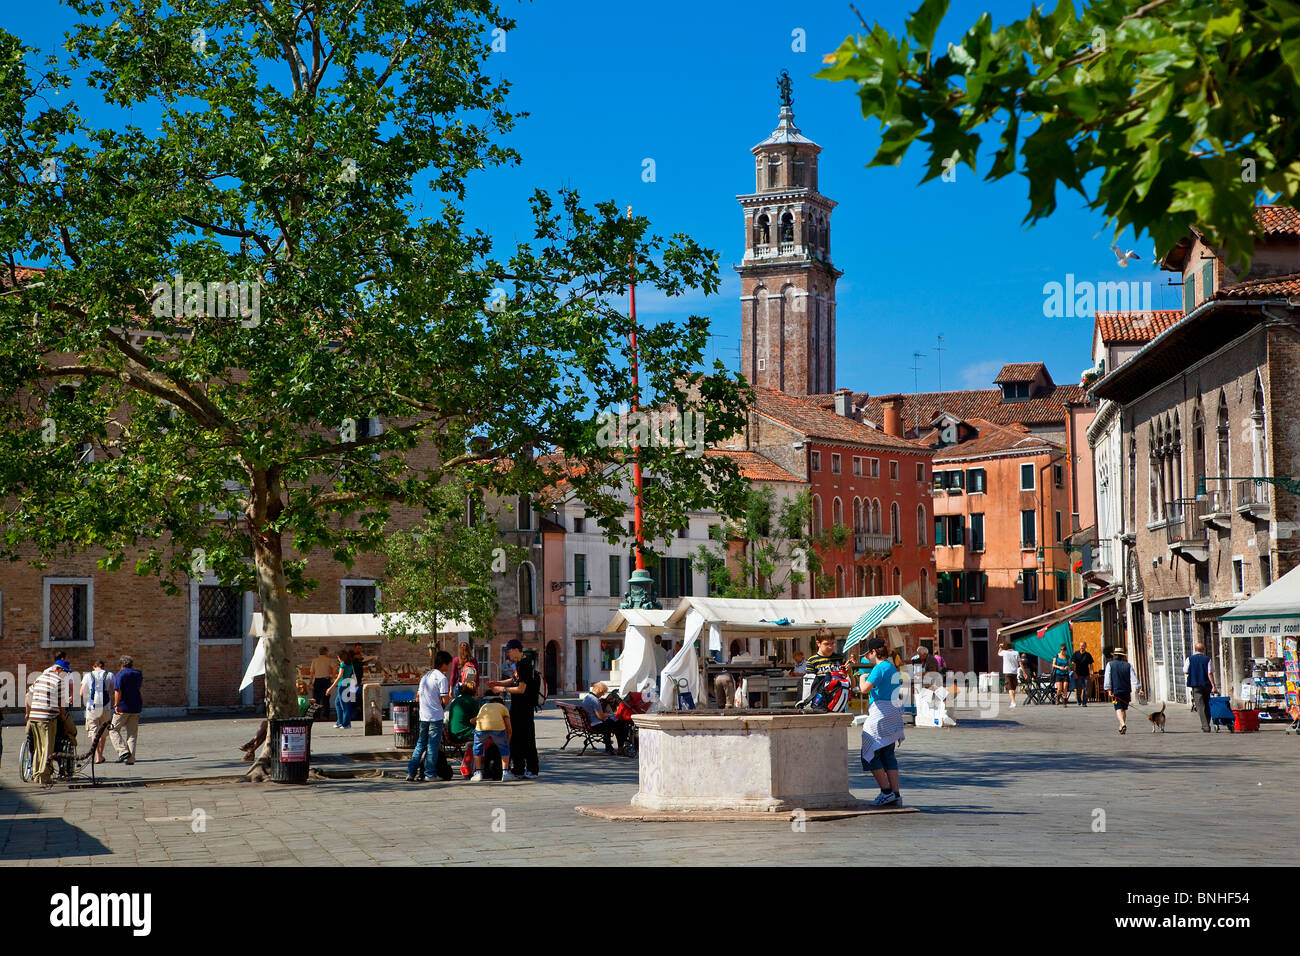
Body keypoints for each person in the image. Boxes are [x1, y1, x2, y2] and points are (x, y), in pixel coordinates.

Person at [859, 637, 906, 807]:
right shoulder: (892, 667)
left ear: (873, 652)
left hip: (880, 714)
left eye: (868, 653)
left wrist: (862, 678)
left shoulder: (879, 668)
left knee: (869, 752)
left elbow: (865, 690)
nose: (867, 657)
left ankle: (886, 792)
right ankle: (896, 793)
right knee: (888, 754)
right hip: (894, 713)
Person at [26, 657, 73, 787]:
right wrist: (63, 717)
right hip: (47, 718)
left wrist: (28, 714)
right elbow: (61, 704)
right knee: (47, 747)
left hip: (34, 717)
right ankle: (44, 776)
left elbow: (27, 696)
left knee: (37, 747)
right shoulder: (59, 681)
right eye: (64, 672)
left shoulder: (40, 678)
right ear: (58, 669)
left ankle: (36, 774)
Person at [407, 650, 452, 782]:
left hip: (424, 716)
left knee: (420, 744)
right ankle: (430, 773)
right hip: (435, 716)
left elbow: (418, 697)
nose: (448, 667)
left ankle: (411, 771)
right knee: (432, 746)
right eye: (448, 664)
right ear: (443, 663)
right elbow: (445, 700)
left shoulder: (425, 676)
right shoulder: (442, 678)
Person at [503, 657, 541, 779]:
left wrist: (502, 688)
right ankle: (518, 768)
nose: (508, 656)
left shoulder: (524, 666)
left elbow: (521, 688)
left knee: (527, 740)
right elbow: (514, 680)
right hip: (518, 709)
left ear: (516, 650)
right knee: (517, 739)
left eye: (509, 652)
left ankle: (531, 769)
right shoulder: (518, 666)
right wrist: (499, 683)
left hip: (524, 709)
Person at [109, 655, 144, 765]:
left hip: (123, 706)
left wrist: (116, 704)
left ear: (122, 664)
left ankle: (123, 751)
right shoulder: (138, 673)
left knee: (113, 729)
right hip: (136, 705)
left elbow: (118, 690)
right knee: (132, 733)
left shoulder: (121, 674)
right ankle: (131, 758)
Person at [470, 694, 512, 782]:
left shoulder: (484, 706)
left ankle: (478, 773)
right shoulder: (503, 708)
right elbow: (509, 728)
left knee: (477, 747)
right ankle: (505, 773)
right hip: (498, 728)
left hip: (481, 728)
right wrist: (507, 741)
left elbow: (473, 720)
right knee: (504, 748)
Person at [580, 681, 629, 754]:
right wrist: (609, 715)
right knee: (621, 724)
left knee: (615, 723)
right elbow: (601, 717)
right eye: (603, 692)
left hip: (589, 723)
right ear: (599, 690)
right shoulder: (595, 700)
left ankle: (609, 746)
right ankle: (620, 748)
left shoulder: (587, 697)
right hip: (595, 725)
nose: (603, 694)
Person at [81, 658, 115, 763]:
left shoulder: (88, 675)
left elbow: (82, 693)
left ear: (93, 666)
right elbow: (113, 690)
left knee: (93, 732)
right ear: (103, 666)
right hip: (105, 706)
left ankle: (97, 756)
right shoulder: (110, 675)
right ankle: (100, 755)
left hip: (92, 707)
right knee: (103, 732)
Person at [1104, 648, 1141, 735]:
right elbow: (1134, 678)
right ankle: (1121, 726)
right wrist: (1139, 688)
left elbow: (1107, 678)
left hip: (1116, 690)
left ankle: (1123, 724)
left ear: (1115, 655)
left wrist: (1108, 689)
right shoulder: (1128, 665)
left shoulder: (1110, 664)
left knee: (1118, 708)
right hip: (1126, 690)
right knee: (1123, 709)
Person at [1185, 642, 1215, 733]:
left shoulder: (1189, 659)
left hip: (1196, 685)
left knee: (1200, 706)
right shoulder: (1207, 659)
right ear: (1203, 650)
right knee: (1207, 705)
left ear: (1195, 649)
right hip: (1206, 685)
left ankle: (1205, 726)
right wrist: (1213, 685)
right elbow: (1210, 672)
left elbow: (1185, 670)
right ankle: (1207, 723)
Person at [325, 649, 354, 729]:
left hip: (342, 686)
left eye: (338, 657)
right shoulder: (350, 664)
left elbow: (339, 676)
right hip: (348, 684)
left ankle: (346, 724)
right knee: (338, 703)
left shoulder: (343, 665)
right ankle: (340, 722)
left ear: (341, 657)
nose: (338, 659)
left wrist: (330, 688)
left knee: (344, 705)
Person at [309, 646, 334, 718]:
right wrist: (332, 676)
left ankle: (316, 715)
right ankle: (326, 715)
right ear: (326, 652)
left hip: (317, 680)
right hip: (326, 680)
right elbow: (335, 667)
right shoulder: (329, 660)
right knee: (326, 699)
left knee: (316, 698)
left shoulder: (314, 660)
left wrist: (310, 682)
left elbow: (311, 672)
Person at [1071, 641, 1095, 707]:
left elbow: (1091, 665)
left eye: (1083, 646)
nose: (1082, 647)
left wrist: (1092, 673)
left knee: (1086, 689)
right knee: (1079, 689)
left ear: (1085, 647)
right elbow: (1073, 664)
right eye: (1081, 646)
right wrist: (1074, 672)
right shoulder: (1076, 654)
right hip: (1078, 674)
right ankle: (1079, 700)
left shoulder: (1088, 655)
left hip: (1086, 674)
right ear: (1079, 646)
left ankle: (1084, 702)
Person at [998, 641, 1020, 708]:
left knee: (1010, 688)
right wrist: (1024, 672)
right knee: (1013, 688)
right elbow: (1020, 662)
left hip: (1007, 672)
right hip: (1014, 672)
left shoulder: (1004, 652)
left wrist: (1000, 647)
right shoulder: (1016, 652)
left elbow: (998, 653)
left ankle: (1013, 702)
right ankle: (1013, 701)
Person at [350, 643, 367, 721]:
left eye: (360, 648)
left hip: (358, 680)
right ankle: (353, 715)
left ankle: (359, 714)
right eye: (358, 648)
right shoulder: (351, 654)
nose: (359, 649)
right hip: (353, 680)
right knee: (353, 698)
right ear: (355, 648)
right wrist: (355, 657)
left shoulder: (359, 656)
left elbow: (360, 664)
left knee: (359, 698)